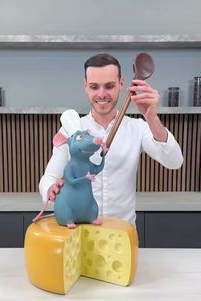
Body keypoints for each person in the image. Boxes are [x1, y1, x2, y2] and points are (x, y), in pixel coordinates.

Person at [39, 53, 183, 226]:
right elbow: (49, 177)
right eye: (94, 86)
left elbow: (175, 161)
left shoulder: (138, 127)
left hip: (122, 234)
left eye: (109, 86)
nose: (101, 94)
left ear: (121, 84)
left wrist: (152, 118)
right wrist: (50, 189)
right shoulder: (72, 131)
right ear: (85, 86)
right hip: (81, 235)